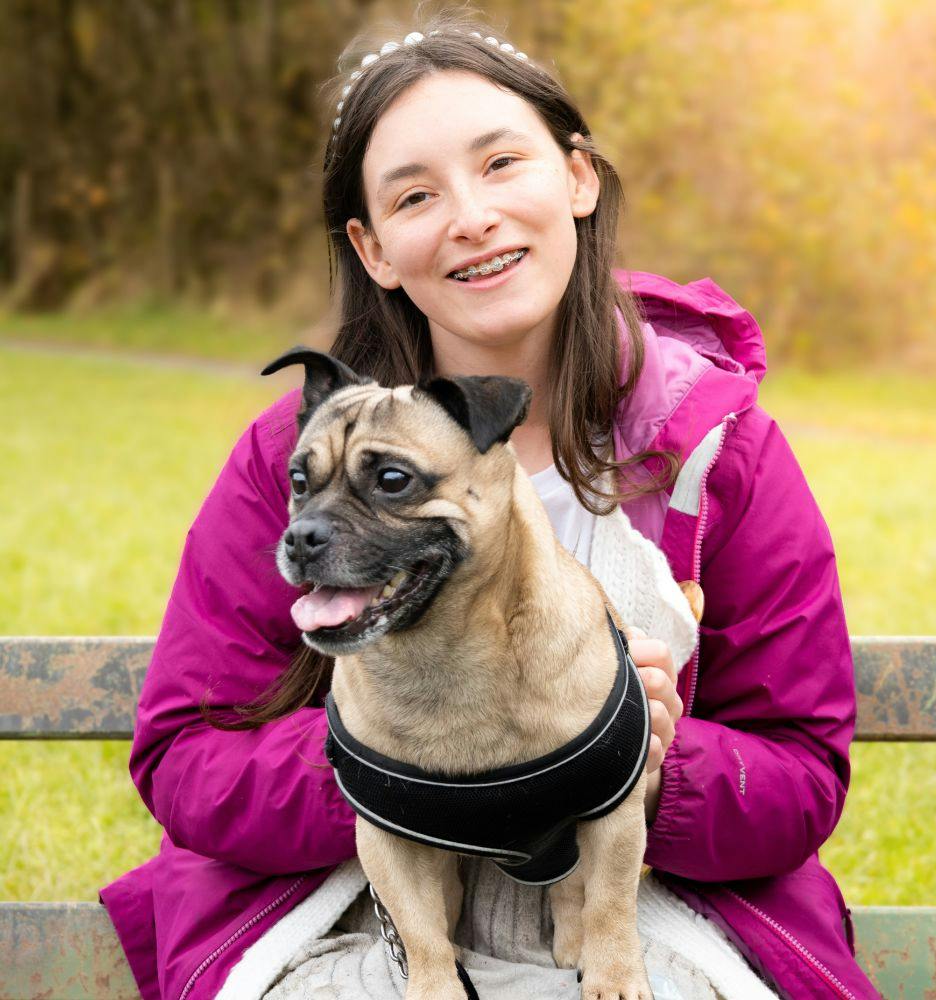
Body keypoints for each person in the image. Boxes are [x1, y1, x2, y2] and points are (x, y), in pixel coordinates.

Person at [99, 9, 879, 1000]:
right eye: (415, 195)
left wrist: (639, 750)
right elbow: (184, 753)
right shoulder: (295, 457)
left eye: (501, 163)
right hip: (354, 910)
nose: (470, 216)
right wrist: (394, 750)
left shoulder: (718, 452)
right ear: (374, 247)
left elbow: (801, 773)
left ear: (578, 178)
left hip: (637, 912)